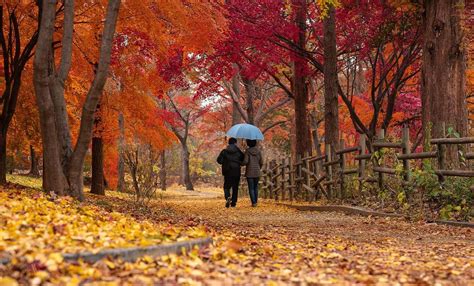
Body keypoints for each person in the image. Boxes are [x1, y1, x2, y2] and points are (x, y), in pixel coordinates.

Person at [217, 138, 244, 208]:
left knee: (226, 186)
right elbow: (243, 158)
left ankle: (228, 197)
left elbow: (219, 160)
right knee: (235, 187)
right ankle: (233, 203)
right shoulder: (238, 151)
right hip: (236, 171)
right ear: (235, 143)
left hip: (227, 171)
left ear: (228, 143)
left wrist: (224, 162)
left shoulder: (224, 151)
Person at [243, 139, 263, 207]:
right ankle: (256, 202)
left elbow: (245, 161)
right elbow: (261, 162)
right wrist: (259, 168)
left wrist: (241, 163)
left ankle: (253, 203)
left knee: (251, 188)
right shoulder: (258, 151)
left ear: (248, 143)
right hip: (257, 171)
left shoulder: (247, 151)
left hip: (249, 172)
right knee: (256, 187)